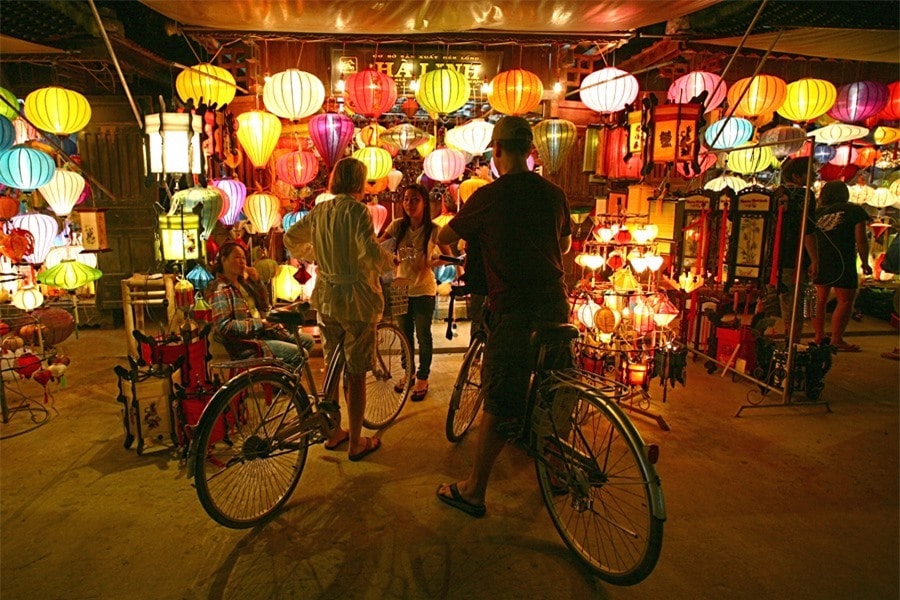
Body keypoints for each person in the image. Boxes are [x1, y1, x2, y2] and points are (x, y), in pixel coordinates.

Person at [434, 116, 572, 517]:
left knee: (499, 397)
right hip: (555, 304)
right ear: (531, 151)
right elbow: (563, 246)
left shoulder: (488, 197)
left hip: (514, 311)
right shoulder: (554, 193)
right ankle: (560, 470)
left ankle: (475, 490)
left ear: (496, 151)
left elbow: (445, 237)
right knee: (557, 386)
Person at [283, 157, 396, 461]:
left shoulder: (321, 210)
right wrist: (390, 264)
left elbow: (290, 237)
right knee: (356, 372)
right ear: (359, 182)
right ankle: (356, 441)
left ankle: (333, 432)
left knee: (333, 365)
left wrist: (315, 253)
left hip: (327, 299)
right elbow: (370, 251)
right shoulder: (357, 211)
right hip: (357, 301)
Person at [377, 183, 454, 401]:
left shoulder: (433, 229)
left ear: (424, 203)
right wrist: (386, 258)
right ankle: (408, 372)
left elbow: (446, 257)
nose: (410, 204)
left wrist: (435, 262)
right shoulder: (397, 226)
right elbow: (378, 247)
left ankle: (422, 376)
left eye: (415, 199)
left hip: (424, 288)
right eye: (406, 199)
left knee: (423, 334)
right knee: (404, 335)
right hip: (400, 286)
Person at [209, 240, 315, 365]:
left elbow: (265, 305)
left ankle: (282, 379)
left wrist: (257, 281)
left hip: (265, 334)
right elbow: (224, 326)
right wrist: (260, 324)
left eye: (243, 257)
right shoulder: (221, 289)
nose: (242, 261)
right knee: (300, 353)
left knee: (307, 341)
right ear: (224, 260)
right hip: (249, 343)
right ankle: (280, 382)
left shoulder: (244, 283)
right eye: (237, 257)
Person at [804, 180, 873, 352]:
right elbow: (861, 239)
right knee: (845, 299)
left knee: (818, 299)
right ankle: (836, 339)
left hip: (818, 258)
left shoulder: (817, 212)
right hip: (842, 260)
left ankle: (818, 336)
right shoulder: (854, 211)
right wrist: (864, 262)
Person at [772, 157, 817, 340]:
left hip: (772, 259)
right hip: (794, 258)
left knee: (772, 304)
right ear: (797, 176)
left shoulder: (775, 194)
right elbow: (807, 230)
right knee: (793, 307)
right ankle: (791, 348)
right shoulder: (805, 196)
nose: (814, 177)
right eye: (811, 173)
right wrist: (815, 259)